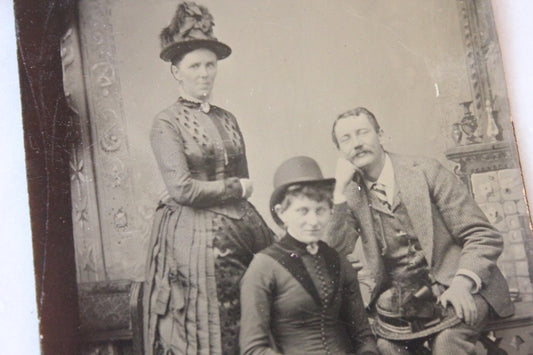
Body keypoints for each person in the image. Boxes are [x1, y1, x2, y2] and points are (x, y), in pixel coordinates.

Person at [327, 107, 514, 354]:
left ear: (381, 135)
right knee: (385, 349)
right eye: (346, 139)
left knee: (447, 343)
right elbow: (332, 253)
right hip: (405, 302)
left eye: (362, 133)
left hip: (461, 285)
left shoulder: (426, 171)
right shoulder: (351, 194)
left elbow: (482, 235)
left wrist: (462, 283)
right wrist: (339, 191)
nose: (357, 144)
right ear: (340, 151)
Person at [143, 3, 274, 354]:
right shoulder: (166, 122)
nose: (204, 73)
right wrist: (235, 188)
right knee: (205, 327)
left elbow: (241, 171)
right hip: (193, 235)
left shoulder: (228, 117)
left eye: (210, 65)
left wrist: (240, 189)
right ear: (176, 71)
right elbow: (182, 189)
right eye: (194, 66)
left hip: (241, 227)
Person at [240, 156, 379, 355]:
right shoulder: (263, 267)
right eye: (303, 211)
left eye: (320, 210)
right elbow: (253, 348)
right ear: (281, 213)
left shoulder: (338, 261)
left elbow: (363, 335)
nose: (313, 221)